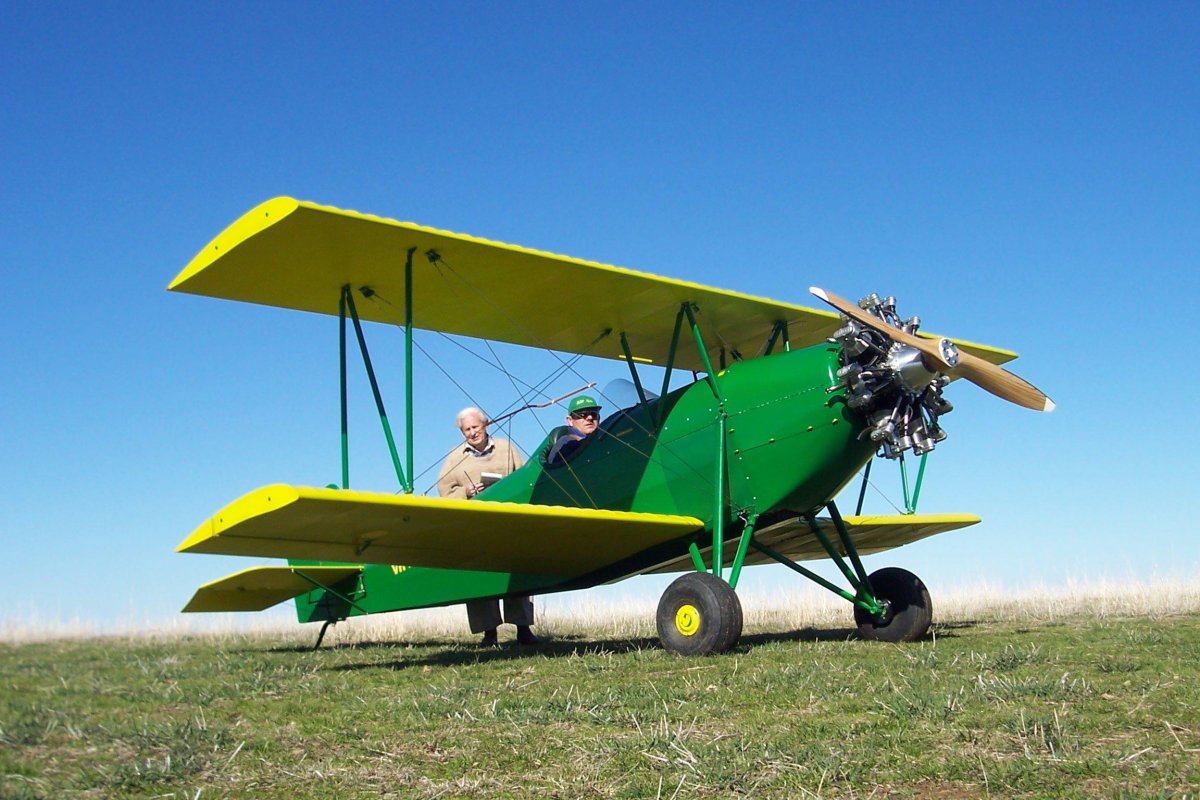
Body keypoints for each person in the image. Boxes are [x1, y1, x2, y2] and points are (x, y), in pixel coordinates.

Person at [435, 406, 540, 647]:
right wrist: (467, 492)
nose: (472, 433)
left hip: (509, 522)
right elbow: (445, 492)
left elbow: (525, 478)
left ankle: (523, 630)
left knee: (518, 571)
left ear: (486, 425)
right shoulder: (454, 457)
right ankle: (489, 633)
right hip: (476, 526)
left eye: (475, 427)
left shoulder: (506, 448)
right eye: (467, 430)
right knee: (480, 575)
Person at [546, 394, 602, 466]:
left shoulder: (603, 437)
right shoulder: (566, 444)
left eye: (594, 414)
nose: (590, 418)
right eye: (582, 415)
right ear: (570, 420)